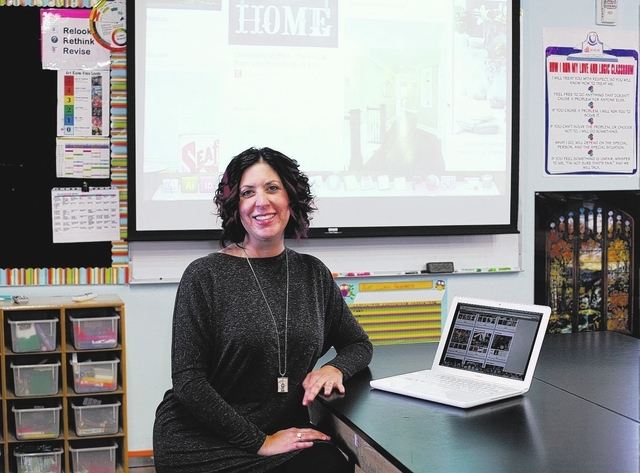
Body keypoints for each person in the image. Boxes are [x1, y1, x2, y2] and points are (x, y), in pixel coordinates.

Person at [152, 147, 374, 472]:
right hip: (202, 439)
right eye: (247, 192)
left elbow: (358, 344)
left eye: (272, 188)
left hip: (278, 430)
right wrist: (261, 442)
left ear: (291, 198)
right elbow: (189, 382)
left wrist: (335, 369)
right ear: (235, 206)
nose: (261, 202)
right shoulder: (204, 275)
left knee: (331, 464)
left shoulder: (312, 273)